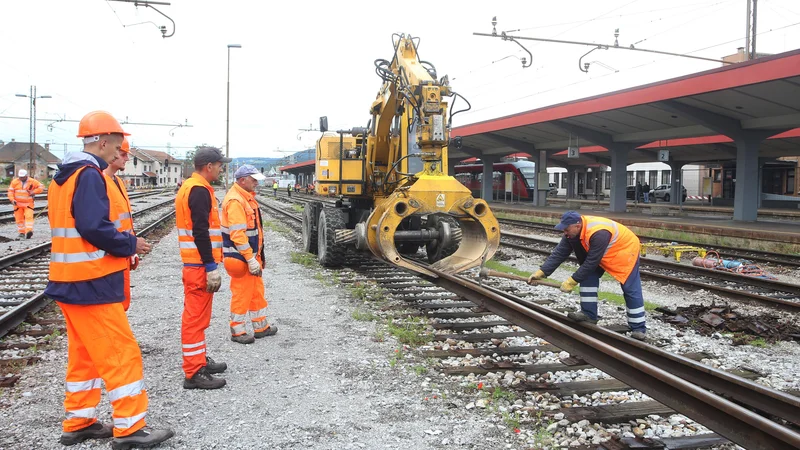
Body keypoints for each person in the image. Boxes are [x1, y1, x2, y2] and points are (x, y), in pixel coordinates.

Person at [44, 111, 173, 448]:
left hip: (68, 279)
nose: (118, 151)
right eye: (115, 145)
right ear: (102, 141)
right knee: (121, 353)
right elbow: (92, 226)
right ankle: (130, 429)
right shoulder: (88, 174)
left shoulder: (63, 176)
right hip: (91, 281)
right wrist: (129, 243)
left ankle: (79, 421)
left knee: (84, 356)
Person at [528, 210, 647, 341]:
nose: (565, 233)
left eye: (566, 229)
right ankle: (589, 314)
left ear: (577, 226)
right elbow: (560, 253)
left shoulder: (599, 233)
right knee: (587, 278)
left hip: (623, 250)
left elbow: (591, 262)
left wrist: (572, 281)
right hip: (601, 252)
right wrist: (541, 272)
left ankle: (638, 328)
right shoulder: (572, 234)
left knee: (630, 288)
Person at [175, 147, 231, 390]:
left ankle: (198, 361)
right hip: (198, 265)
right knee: (195, 320)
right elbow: (200, 231)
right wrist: (210, 265)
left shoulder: (193, 187)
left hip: (195, 264)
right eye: (220, 165)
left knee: (198, 318)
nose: (221, 170)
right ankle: (194, 371)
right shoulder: (198, 191)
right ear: (209, 166)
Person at [221, 165, 278, 344]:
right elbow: (238, 235)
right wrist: (250, 258)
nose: (256, 182)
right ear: (242, 179)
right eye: (253, 179)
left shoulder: (245, 198)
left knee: (255, 291)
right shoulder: (236, 201)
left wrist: (256, 257)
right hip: (241, 258)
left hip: (250, 257)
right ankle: (237, 331)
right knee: (242, 292)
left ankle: (261, 326)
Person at [103, 137, 138, 312]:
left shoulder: (118, 182)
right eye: (123, 153)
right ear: (114, 152)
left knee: (122, 302)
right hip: (110, 255)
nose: (126, 158)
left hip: (122, 251)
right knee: (113, 306)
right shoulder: (100, 182)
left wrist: (131, 248)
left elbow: (124, 220)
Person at [7, 168, 44, 239]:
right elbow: (10, 192)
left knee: (29, 217)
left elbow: (41, 187)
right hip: (17, 205)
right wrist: (12, 200)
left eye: (23, 177)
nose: (21, 178)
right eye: (20, 177)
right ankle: (21, 233)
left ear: (26, 176)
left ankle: (29, 231)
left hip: (28, 204)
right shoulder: (15, 182)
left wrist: (34, 192)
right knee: (19, 219)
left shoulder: (32, 181)